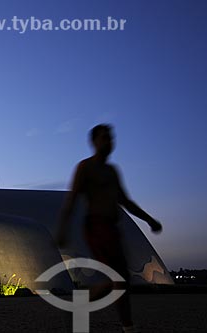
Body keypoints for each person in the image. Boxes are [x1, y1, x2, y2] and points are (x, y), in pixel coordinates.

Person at [58, 124, 162, 333]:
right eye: (104, 138)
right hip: (96, 228)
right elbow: (72, 199)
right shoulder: (85, 168)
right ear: (94, 142)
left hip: (112, 229)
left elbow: (124, 200)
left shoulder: (112, 171)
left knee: (120, 280)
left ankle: (89, 309)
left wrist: (149, 219)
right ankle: (127, 326)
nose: (109, 142)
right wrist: (63, 229)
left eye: (110, 137)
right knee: (119, 279)